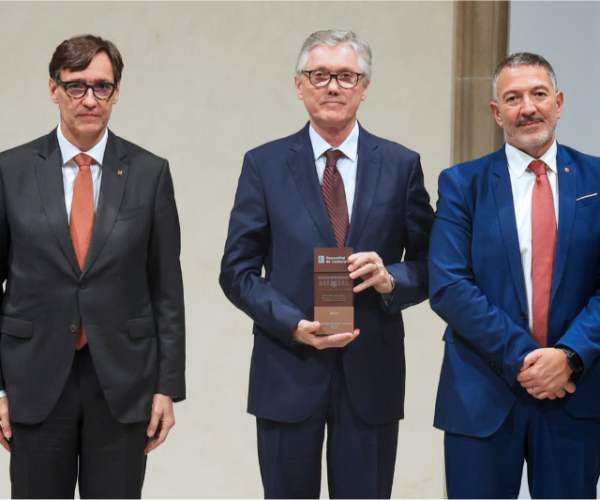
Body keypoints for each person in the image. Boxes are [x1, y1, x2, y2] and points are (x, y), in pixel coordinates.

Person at [220, 29, 433, 500]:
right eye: (319, 75)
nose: (332, 87)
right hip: (288, 366)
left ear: (364, 87)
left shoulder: (401, 165)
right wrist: (292, 323)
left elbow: (433, 263)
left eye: (346, 76)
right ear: (299, 86)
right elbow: (236, 272)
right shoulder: (265, 164)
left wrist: (389, 278)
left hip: (370, 372)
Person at [0, 34, 185, 500]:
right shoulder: (11, 171)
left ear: (116, 92)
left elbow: (166, 289)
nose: (89, 99)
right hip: (33, 380)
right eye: (76, 85)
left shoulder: (149, 173)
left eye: (102, 87)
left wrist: (167, 388)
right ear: (53, 88)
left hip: (123, 384)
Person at [430, 52, 600, 499]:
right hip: (481, 394)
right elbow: (449, 286)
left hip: (575, 393)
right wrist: (529, 360)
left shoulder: (598, 180)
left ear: (559, 102)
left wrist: (568, 356)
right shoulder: (461, 184)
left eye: (539, 94)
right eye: (513, 97)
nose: (528, 107)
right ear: (496, 112)